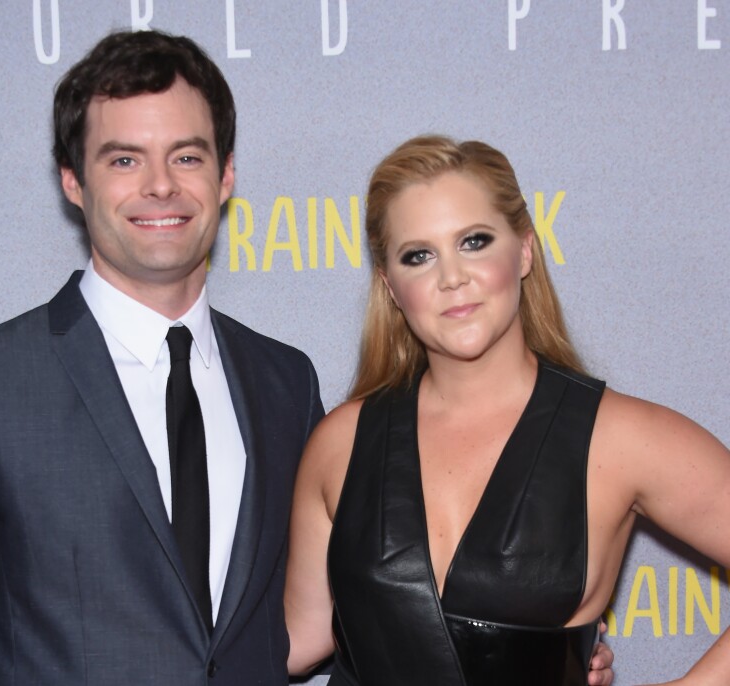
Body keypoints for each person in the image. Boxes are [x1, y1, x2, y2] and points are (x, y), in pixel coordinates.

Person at [0, 30, 324, 685]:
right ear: (72, 180)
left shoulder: (285, 381)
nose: (160, 186)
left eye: (187, 157)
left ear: (226, 173)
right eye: (124, 161)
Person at [284, 135, 730, 685]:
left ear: (523, 250)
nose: (451, 277)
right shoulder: (341, 442)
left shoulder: (621, 438)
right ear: (391, 287)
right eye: (418, 256)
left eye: (474, 241)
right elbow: (298, 639)